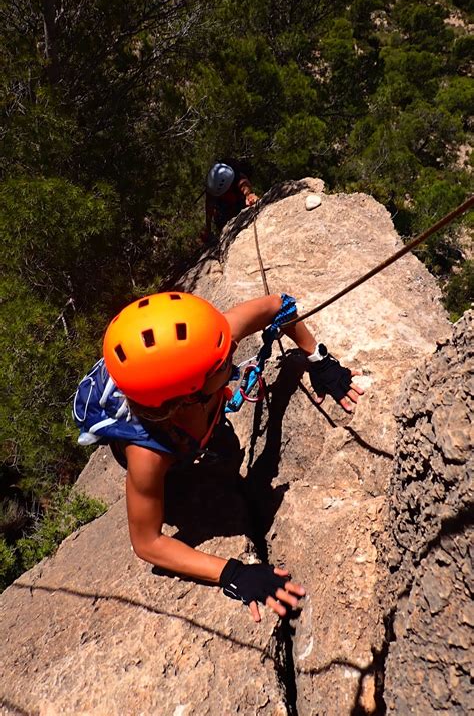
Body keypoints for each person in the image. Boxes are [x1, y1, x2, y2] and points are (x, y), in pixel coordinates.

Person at [73, 291, 364, 622]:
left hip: (197, 420)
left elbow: (278, 306)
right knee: (189, 477)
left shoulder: (209, 346)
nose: (233, 352)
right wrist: (233, 574)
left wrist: (318, 358)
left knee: (225, 450)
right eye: (223, 363)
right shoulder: (146, 457)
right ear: (188, 394)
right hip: (176, 448)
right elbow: (148, 543)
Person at [202, 161, 259, 241]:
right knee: (221, 218)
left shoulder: (236, 178)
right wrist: (208, 228)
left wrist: (249, 195)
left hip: (237, 202)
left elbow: (244, 184)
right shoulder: (213, 185)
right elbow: (209, 205)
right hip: (224, 209)